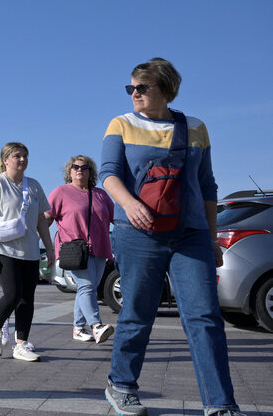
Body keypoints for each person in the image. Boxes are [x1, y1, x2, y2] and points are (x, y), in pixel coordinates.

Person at [99, 58, 244, 416]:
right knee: (137, 311)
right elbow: (108, 174)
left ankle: (220, 404)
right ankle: (121, 385)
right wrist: (129, 204)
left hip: (191, 233)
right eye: (130, 87)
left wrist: (211, 238)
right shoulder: (121, 124)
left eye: (142, 87)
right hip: (138, 231)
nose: (134, 93)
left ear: (165, 89)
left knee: (205, 317)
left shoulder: (195, 127)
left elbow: (207, 185)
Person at [0, 142, 55, 363]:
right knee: (12, 294)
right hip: (4, 250)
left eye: (25, 156)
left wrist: (49, 248)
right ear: (5, 160)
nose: (22, 160)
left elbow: (41, 219)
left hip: (30, 251)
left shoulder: (34, 186)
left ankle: (21, 344)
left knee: (27, 299)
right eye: (17, 156)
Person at [45, 155, 115, 343]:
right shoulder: (61, 192)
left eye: (84, 168)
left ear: (90, 172)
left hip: (100, 247)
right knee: (87, 286)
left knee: (88, 290)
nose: (79, 170)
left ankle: (78, 328)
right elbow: (46, 218)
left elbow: (116, 217)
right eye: (75, 167)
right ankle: (96, 326)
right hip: (74, 249)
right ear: (69, 171)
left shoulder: (100, 194)